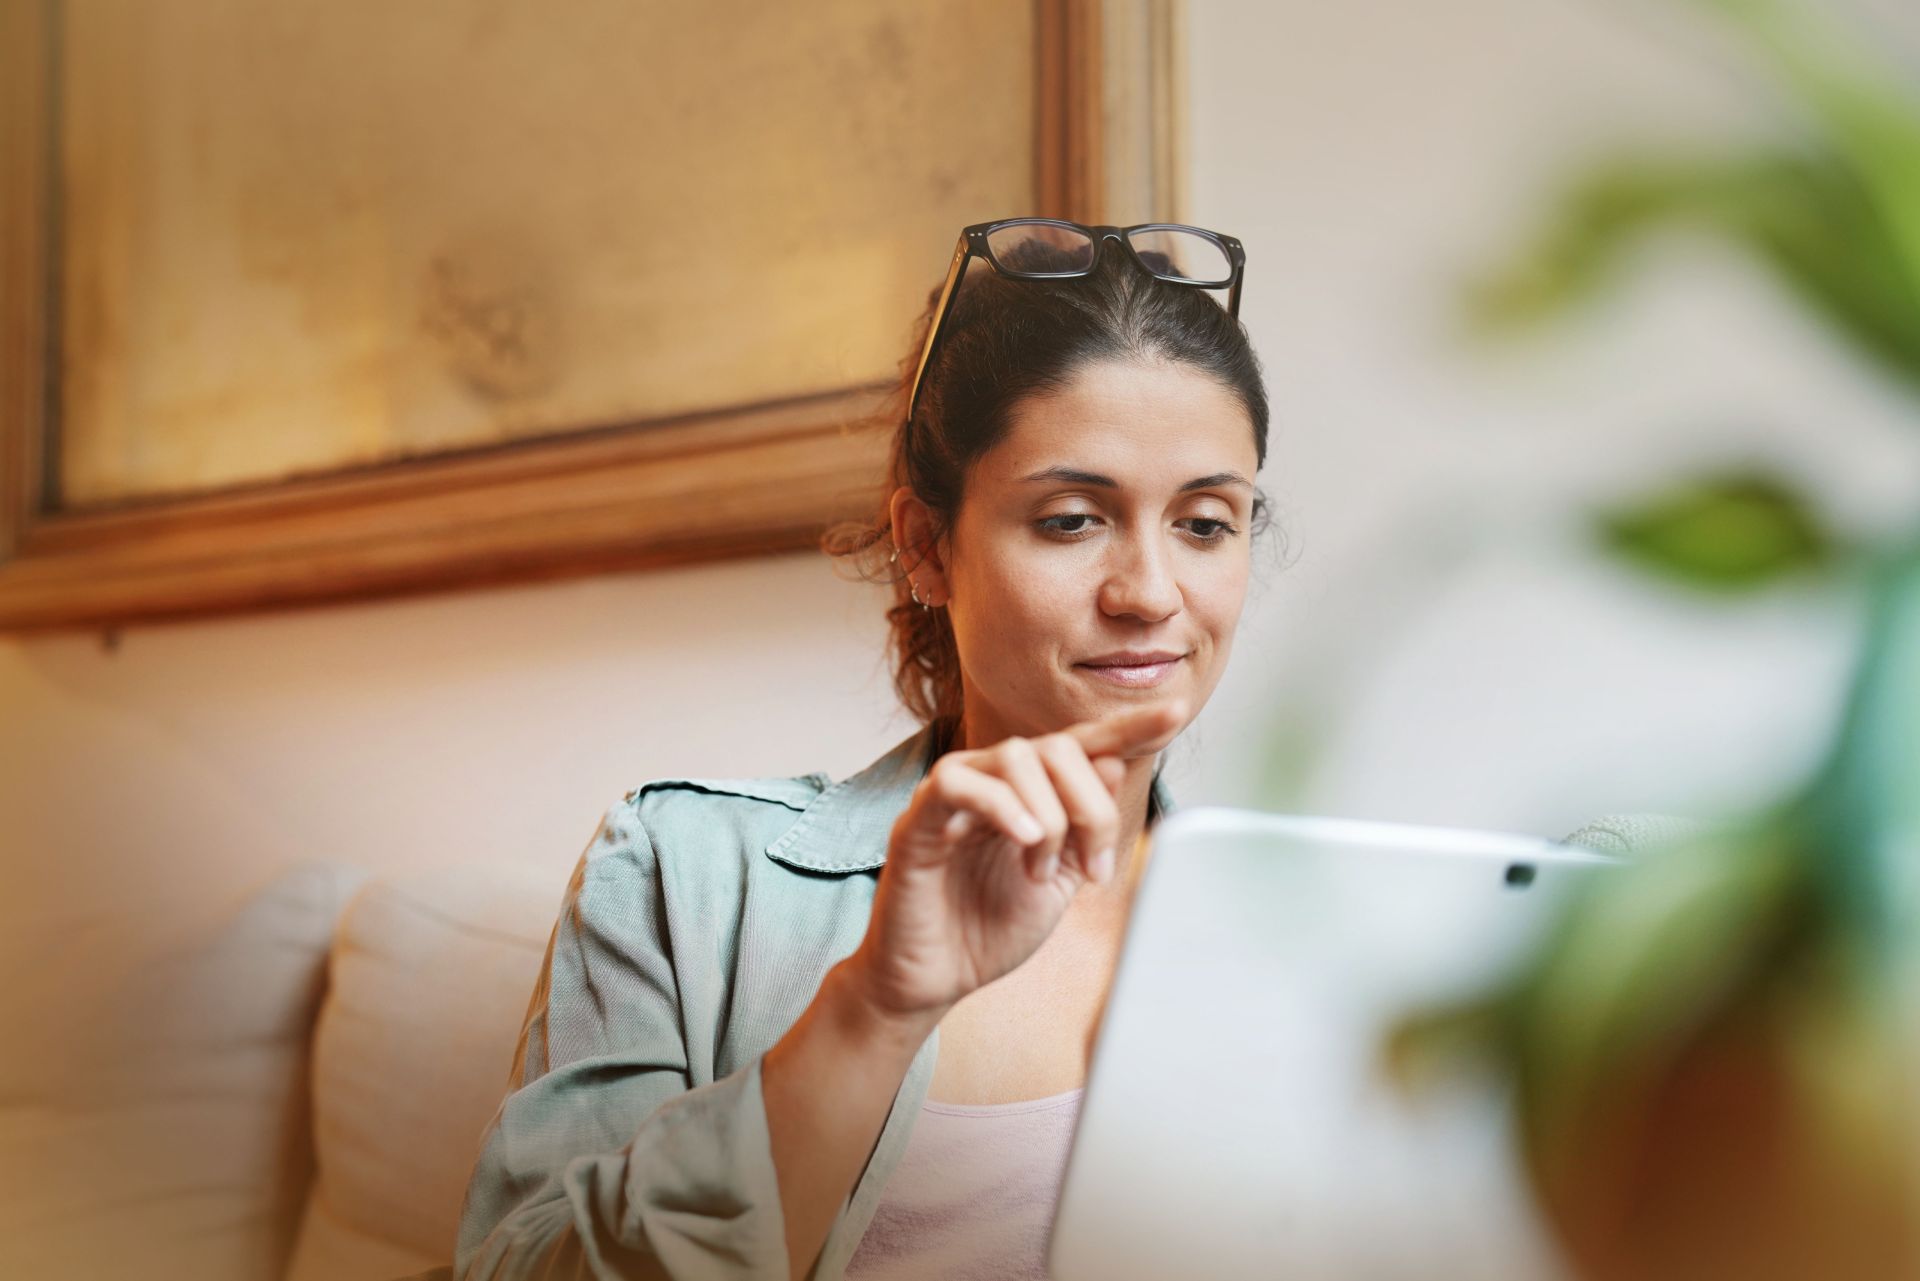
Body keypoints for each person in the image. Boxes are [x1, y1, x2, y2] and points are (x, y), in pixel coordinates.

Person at [451, 218, 1270, 1281]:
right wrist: (877, 1007)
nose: (1151, 594)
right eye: (1072, 519)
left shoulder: (1311, 924)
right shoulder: (681, 874)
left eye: (1207, 523)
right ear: (929, 547)